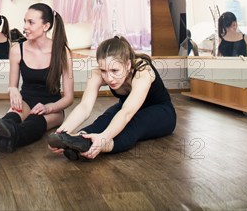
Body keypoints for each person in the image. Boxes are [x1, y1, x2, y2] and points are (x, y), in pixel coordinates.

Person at [48, 36, 176, 160]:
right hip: (128, 106)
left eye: (115, 71)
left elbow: (127, 113)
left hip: (160, 111)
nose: (109, 78)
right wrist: (62, 132)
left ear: (127, 65)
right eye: (103, 70)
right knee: (104, 120)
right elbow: (85, 107)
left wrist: (103, 137)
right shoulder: (97, 74)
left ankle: (96, 145)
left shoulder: (142, 72)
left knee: (133, 123)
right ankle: (77, 140)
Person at [0, 3, 74, 153]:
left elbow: (69, 98)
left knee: (33, 124)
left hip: (52, 107)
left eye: (31, 22)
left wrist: (48, 108)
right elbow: (12, 86)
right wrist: (12, 90)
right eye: (25, 21)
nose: (25, 26)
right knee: (9, 120)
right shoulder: (17, 50)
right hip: (25, 101)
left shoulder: (62, 52)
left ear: (45, 26)